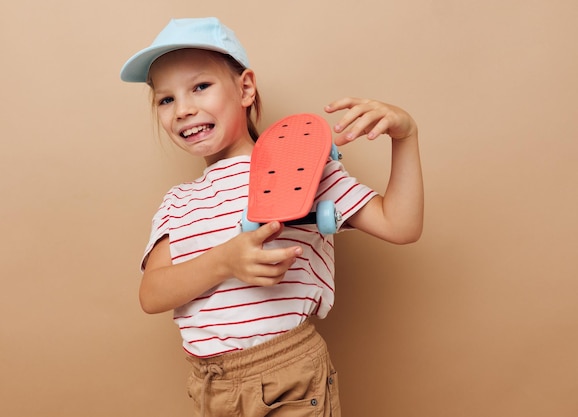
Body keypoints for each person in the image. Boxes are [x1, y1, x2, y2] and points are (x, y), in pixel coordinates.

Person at [121, 17, 423, 417]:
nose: (184, 109)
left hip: (288, 374)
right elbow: (151, 294)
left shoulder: (299, 163)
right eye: (166, 99)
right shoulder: (179, 201)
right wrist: (224, 260)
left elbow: (400, 225)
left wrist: (406, 138)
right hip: (211, 384)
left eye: (200, 86)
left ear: (245, 88)